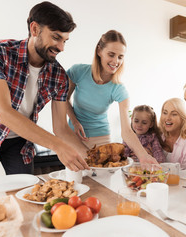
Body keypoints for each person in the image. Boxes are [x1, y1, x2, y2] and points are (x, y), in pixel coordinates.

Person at [0, 1, 90, 180]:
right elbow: (3, 113)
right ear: (35, 29)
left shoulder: (59, 75)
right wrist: (58, 146)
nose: (62, 48)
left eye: (64, 40)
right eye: (56, 37)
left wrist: (93, 158)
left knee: (26, 192)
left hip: (20, 141)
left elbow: (61, 127)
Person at [66, 30, 158, 165]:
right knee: (76, 178)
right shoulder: (78, 71)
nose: (116, 61)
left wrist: (143, 155)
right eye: (111, 54)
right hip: (73, 135)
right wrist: (74, 121)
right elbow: (63, 99)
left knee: (100, 180)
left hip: (101, 138)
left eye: (120, 57)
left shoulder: (119, 89)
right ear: (99, 51)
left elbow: (127, 130)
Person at [159, 98, 186, 170]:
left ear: (183, 118)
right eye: (165, 113)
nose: (167, 118)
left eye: (174, 114)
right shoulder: (158, 135)